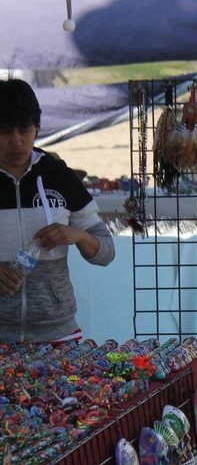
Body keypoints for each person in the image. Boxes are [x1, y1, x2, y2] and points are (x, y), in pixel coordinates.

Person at [0, 77, 115, 343]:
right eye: (5, 132)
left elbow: (106, 252)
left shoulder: (58, 176)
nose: (16, 141)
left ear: (37, 129)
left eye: (24, 130)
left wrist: (78, 235)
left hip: (58, 335)